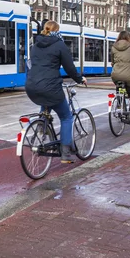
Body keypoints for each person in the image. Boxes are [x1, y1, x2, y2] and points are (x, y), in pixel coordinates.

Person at [25, 21, 86, 164]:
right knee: (66, 117)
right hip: (50, 86)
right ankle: (65, 154)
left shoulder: (35, 45)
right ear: (57, 31)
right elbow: (69, 68)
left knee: (46, 102)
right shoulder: (60, 45)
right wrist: (79, 79)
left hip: (31, 86)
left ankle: (42, 125)